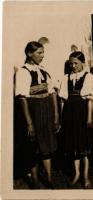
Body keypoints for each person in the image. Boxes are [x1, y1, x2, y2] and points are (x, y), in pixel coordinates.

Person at [14, 41, 60, 188]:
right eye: (39, 53)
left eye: (43, 52)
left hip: (47, 112)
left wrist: (56, 116)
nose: (42, 56)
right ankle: (34, 180)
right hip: (33, 113)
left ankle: (48, 177)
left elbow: (52, 92)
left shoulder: (44, 70)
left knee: (47, 145)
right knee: (33, 147)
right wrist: (29, 123)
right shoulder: (23, 72)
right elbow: (22, 98)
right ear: (29, 53)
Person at [59, 51, 93, 188]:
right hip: (69, 113)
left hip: (82, 113)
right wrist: (62, 118)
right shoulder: (65, 78)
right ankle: (76, 174)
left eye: (76, 63)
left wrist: (90, 118)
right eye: (71, 63)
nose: (73, 66)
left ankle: (85, 176)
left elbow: (91, 100)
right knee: (73, 144)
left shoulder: (88, 77)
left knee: (83, 145)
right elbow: (63, 100)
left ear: (82, 63)